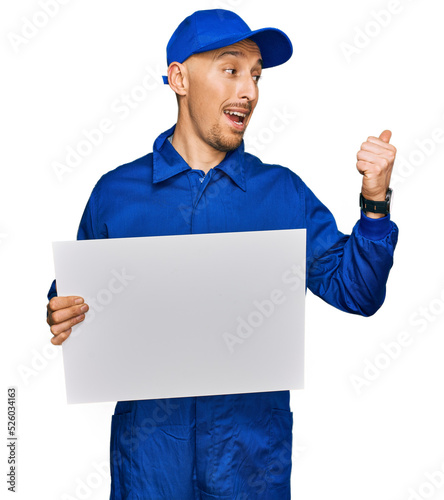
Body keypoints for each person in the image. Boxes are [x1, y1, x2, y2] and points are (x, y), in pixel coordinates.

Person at [46, 9, 398, 500]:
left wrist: (375, 200)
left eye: (255, 75)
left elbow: (357, 291)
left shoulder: (282, 194)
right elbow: (73, 299)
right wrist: (62, 312)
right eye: (231, 69)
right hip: (149, 468)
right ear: (179, 79)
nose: (249, 91)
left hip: (249, 468)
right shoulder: (115, 195)